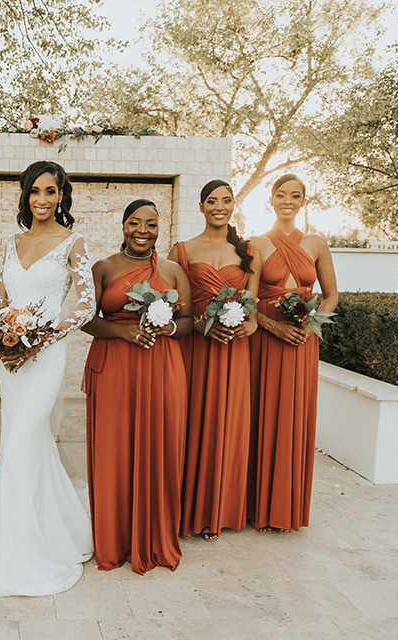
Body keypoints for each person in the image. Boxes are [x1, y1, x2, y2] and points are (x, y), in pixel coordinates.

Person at [0, 160, 95, 596]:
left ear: (62, 196)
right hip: (11, 359)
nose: (42, 199)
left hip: (46, 355)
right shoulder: (11, 242)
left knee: (23, 440)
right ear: (25, 195)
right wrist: (0, 330)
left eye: (51, 191)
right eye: (35, 191)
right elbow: (2, 299)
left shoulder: (73, 242)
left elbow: (86, 305)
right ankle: (49, 532)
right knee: (24, 442)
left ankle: (26, 555)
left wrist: (43, 335)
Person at [82, 199, 192, 573]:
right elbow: (85, 319)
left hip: (162, 368)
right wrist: (121, 331)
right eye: (135, 222)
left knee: (161, 447)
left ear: (160, 229)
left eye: (151, 224)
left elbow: (190, 320)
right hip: (113, 365)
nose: (143, 230)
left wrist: (171, 327)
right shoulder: (103, 267)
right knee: (114, 451)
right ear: (123, 225)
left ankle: (155, 537)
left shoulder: (174, 271)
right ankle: (114, 540)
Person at [168, 180, 261, 541]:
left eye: (226, 201)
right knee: (190, 422)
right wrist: (203, 324)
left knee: (229, 424)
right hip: (195, 347)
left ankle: (218, 511)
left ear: (233, 205)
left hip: (234, 349)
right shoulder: (182, 250)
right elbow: (174, 301)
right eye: (212, 201)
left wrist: (246, 326)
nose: (219, 207)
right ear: (201, 206)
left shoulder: (249, 250)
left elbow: (252, 308)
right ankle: (186, 511)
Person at [248, 174, 338, 533]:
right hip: (267, 336)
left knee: (293, 415)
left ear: (303, 201)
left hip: (303, 337)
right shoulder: (255, 243)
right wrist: (274, 327)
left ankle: (284, 508)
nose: (288, 200)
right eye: (281, 194)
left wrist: (311, 320)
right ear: (270, 199)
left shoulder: (316, 243)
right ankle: (257, 505)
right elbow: (249, 300)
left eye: (295, 196)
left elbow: (331, 294)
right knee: (264, 412)